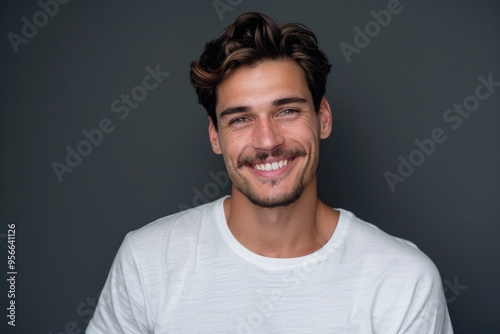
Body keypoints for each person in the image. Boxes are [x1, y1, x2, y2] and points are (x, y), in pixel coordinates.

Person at [86, 12, 453, 333]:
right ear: (216, 136)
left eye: (287, 111)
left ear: (322, 118)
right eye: (241, 119)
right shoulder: (147, 260)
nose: (267, 140)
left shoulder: (403, 280)